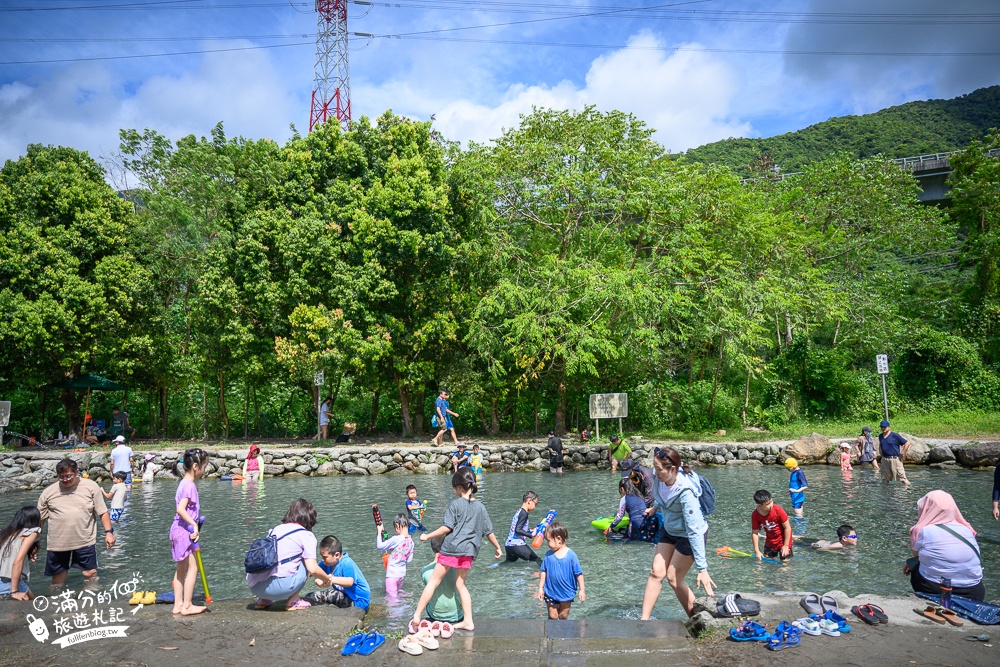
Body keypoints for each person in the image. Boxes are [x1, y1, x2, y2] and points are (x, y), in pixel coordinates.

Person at [411, 468, 503, 632]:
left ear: (459, 487)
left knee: (433, 581)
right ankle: (468, 621)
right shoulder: (480, 507)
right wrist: (497, 547)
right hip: (469, 552)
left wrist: (427, 536)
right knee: (460, 585)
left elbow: (446, 528)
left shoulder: (455, 504)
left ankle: (417, 616)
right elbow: (488, 531)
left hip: (451, 549)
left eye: (454, 488)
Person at [640, 447, 715, 619]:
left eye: (659, 469)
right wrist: (655, 508)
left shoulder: (686, 493)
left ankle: (698, 619)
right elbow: (663, 496)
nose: (655, 472)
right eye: (655, 467)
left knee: (673, 578)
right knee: (656, 572)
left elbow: (694, 530)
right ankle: (643, 622)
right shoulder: (659, 476)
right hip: (670, 529)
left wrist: (702, 568)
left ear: (672, 469)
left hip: (689, 535)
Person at [37, 458, 115, 585]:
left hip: (84, 540)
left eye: (68, 476)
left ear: (77, 472)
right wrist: (35, 542)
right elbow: (40, 520)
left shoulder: (90, 486)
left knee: (90, 573)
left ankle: (92, 599)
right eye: (61, 477)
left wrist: (109, 532)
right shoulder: (48, 492)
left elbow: (102, 511)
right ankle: (56, 600)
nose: (65, 480)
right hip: (58, 542)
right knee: (57, 577)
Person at [247, 498, 334, 611]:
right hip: (281, 588)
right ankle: (293, 601)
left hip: (255, 587)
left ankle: (263, 600)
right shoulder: (306, 535)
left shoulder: (275, 530)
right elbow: (312, 569)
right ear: (310, 518)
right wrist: (327, 579)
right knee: (306, 559)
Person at [905, 490, 984, 601]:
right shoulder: (966, 529)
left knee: (915, 564)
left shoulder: (924, 530)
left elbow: (915, 554)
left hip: (936, 589)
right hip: (974, 591)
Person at [170, 448, 209, 615]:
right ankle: (187, 606)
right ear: (195, 466)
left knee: (181, 569)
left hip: (176, 529)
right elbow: (181, 509)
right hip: (185, 531)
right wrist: (194, 524)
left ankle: (177, 605)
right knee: (193, 569)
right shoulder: (190, 485)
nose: (204, 470)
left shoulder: (182, 483)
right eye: (204, 466)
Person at [536, 522, 585, 620]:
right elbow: (543, 571)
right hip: (551, 591)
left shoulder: (571, 555)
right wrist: (540, 588)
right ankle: (550, 634)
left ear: (558, 539)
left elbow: (578, 574)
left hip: (566, 591)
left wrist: (582, 590)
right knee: (553, 616)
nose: (547, 544)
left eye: (548, 541)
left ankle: (563, 634)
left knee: (563, 616)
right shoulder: (548, 555)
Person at [308, 535, 370, 610]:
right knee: (310, 597)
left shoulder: (346, 563)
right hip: (345, 597)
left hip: (358, 602)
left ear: (337, 555)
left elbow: (349, 581)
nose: (322, 559)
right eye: (321, 556)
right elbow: (312, 570)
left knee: (321, 596)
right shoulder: (326, 563)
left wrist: (328, 579)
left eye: (325, 557)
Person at [0, 506, 42, 601]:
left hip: (4, 579)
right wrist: (14, 592)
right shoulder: (33, 532)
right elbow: (18, 561)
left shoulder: (4, 532)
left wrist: (32, 549)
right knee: (35, 607)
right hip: (8, 581)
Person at [420, 535, 461, 626]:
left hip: (435, 616)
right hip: (457, 615)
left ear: (432, 548)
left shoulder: (424, 571)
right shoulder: (456, 568)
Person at [377, 514, 415, 599]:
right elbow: (409, 559)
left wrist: (379, 532)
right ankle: (404, 596)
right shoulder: (411, 541)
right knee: (396, 592)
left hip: (392, 575)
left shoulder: (396, 538)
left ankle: (398, 611)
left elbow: (379, 546)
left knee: (392, 600)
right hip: (401, 575)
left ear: (397, 526)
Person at [750, 489, 792, 561]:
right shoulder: (755, 515)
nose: (771, 505)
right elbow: (755, 533)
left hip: (783, 540)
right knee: (767, 563)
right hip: (770, 541)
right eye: (767, 504)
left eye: (771, 502)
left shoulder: (778, 510)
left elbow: (787, 528)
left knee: (785, 565)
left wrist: (786, 546)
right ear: (760, 505)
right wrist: (756, 551)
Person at [505, 491, 539, 562]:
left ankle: (492, 567)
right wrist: (530, 534)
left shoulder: (519, 511)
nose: (535, 507)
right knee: (537, 560)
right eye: (535, 504)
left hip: (509, 545)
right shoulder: (524, 514)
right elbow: (518, 530)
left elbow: (517, 528)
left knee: (508, 564)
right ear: (529, 501)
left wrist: (530, 531)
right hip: (516, 544)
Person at [877, 419, 911, 486]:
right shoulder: (880, 436)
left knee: (902, 478)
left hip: (895, 459)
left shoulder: (895, 436)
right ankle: (886, 493)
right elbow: (881, 444)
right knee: (884, 478)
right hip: (885, 459)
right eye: (882, 427)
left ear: (889, 427)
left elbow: (907, 443)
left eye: (885, 427)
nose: (883, 428)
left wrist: (902, 453)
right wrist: (880, 451)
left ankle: (908, 490)